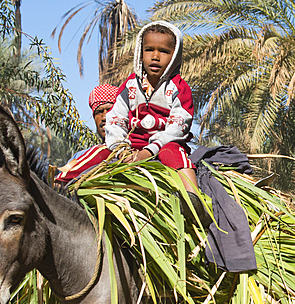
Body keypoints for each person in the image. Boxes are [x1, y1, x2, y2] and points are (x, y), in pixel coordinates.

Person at [102, 20, 199, 192]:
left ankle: (193, 197)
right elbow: (115, 118)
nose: (155, 56)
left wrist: (149, 151)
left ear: (174, 56)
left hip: (164, 144)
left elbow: (177, 126)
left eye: (164, 51)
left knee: (173, 154)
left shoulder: (178, 89)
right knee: (98, 153)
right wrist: (121, 149)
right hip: (129, 147)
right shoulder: (130, 86)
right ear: (140, 53)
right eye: (149, 50)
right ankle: (64, 185)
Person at [53, 83, 122, 184]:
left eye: (110, 110)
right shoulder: (79, 157)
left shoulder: (131, 153)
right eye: (99, 112)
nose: (104, 117)